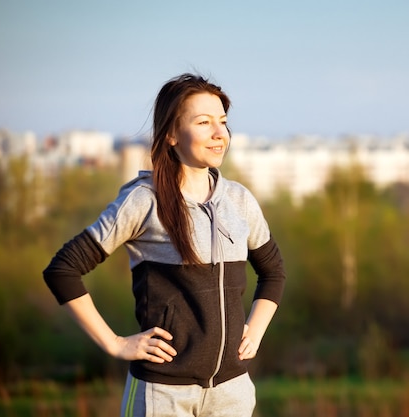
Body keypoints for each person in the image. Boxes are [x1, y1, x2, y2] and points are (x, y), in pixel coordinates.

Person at [43, 73, 286, 416]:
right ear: (171, 134)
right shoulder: (144, 200)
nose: (220, 134)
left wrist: (255, 329)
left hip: (232, 394)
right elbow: (63, 270)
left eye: (223, 122)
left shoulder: (239, 200)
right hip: (162, 395)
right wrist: (114, 344)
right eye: (204, 122)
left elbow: (273, 272)